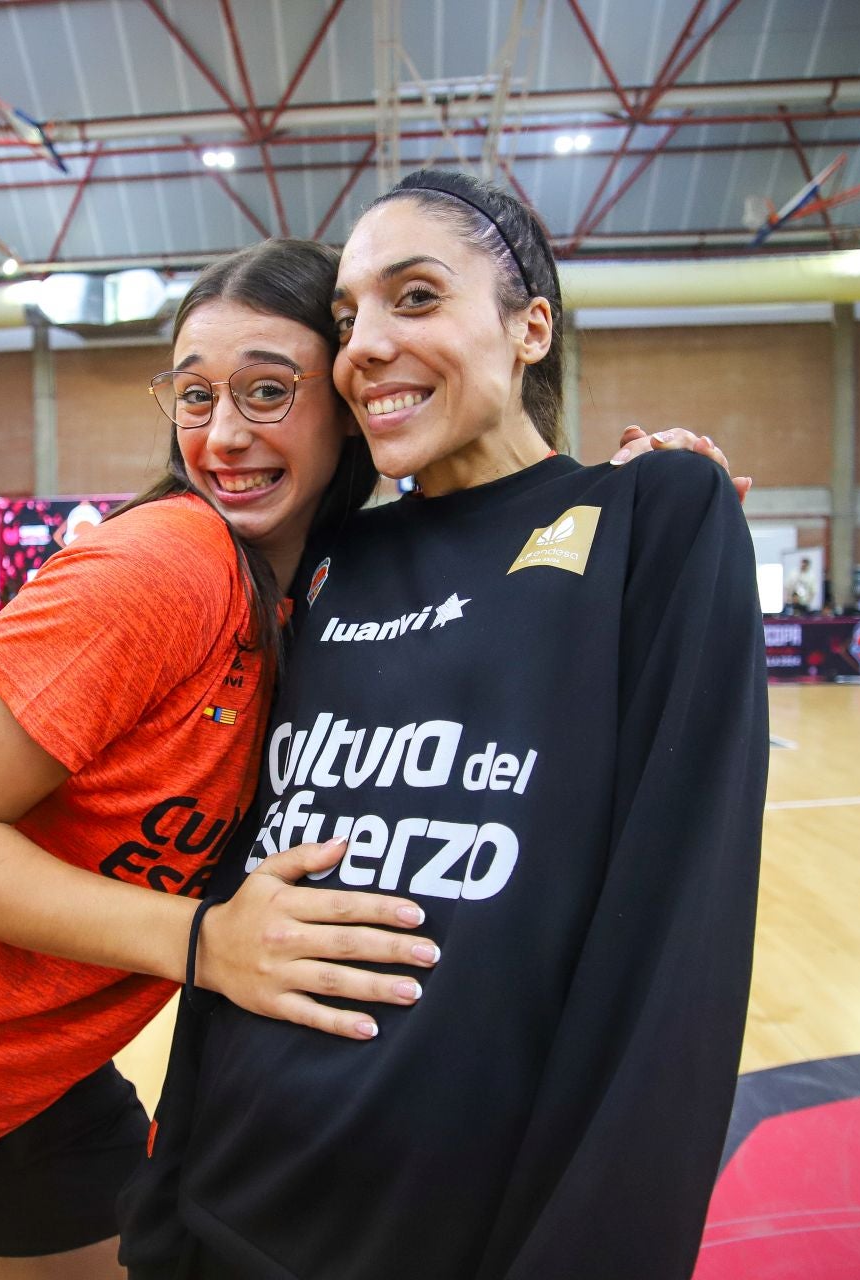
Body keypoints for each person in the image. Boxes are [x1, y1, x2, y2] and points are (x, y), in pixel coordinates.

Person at [124, 171, 766, 1280]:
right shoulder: (322, 557)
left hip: (463, 1230)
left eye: (414, 297)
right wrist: (166, 1199)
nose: (364, 343)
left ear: (531, 326)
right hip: (233, 1200)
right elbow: (247, 889)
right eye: (346, 317)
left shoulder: (655, 514)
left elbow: (677, 947)